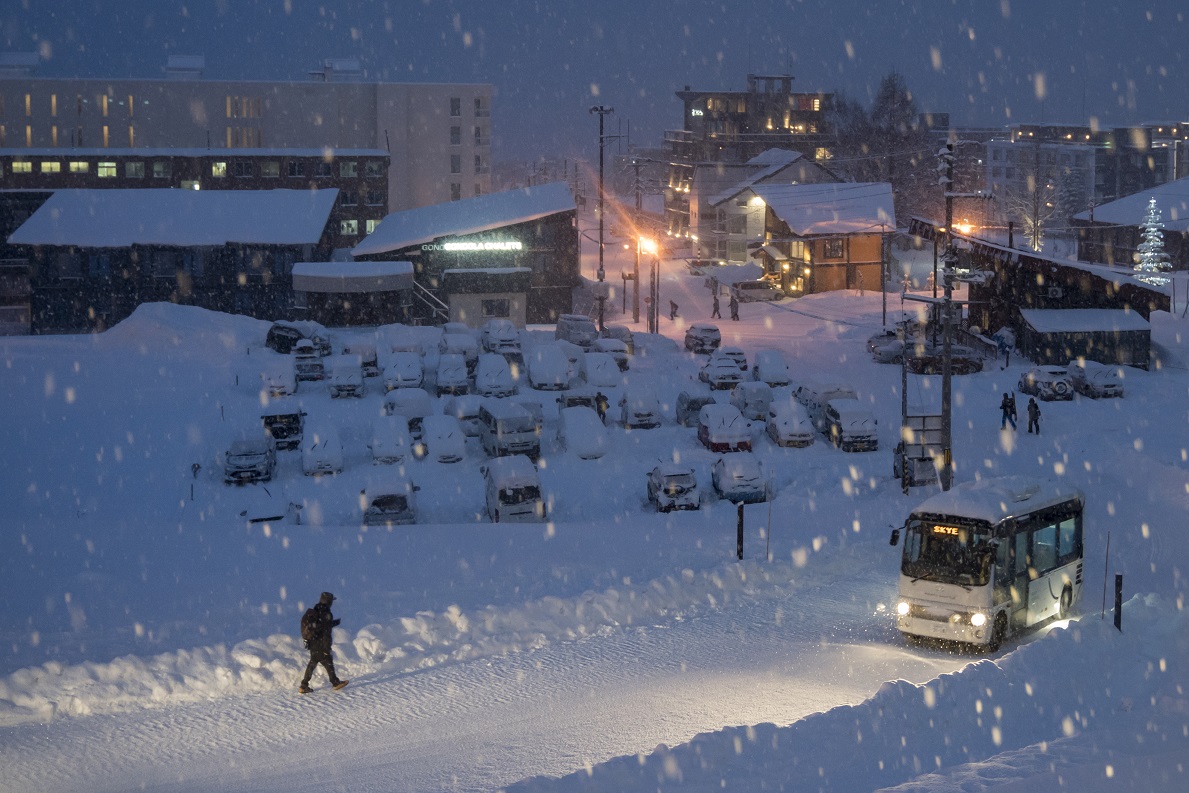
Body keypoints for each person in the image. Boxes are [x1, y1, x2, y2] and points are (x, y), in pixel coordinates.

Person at [300, 591, 349, 694]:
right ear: (329, 601)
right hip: (321, 644)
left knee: (313, 663)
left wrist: (333, 623)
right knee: (327, 661)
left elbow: (322, 625)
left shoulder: (317, 609)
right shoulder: (326, 613)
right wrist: (327, 647)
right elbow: (325, 630)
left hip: (313, 642)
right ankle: (335, 683)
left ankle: (304, 685)